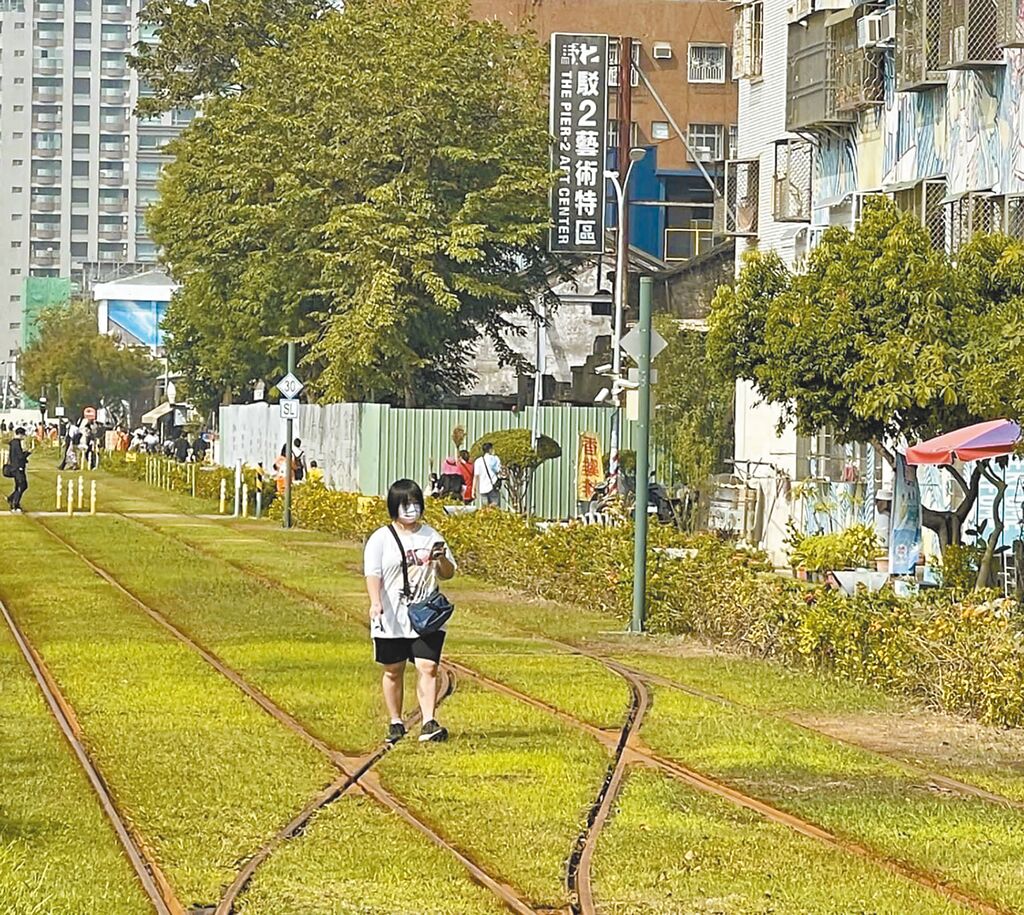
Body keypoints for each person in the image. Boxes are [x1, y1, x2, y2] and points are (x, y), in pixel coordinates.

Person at [364, 479, 456, 744]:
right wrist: (375, 602)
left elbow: (448, 573)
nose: (411, 509)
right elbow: (373, 573)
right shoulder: (381, 539)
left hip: (426, 614)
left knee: (428, 666)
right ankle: (396, 721)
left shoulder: (432, 536)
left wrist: (441, 559)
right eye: (405, 504)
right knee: (393, 669)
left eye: (416, 503)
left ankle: (429, 721)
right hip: (391, 615)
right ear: (394, 507)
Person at [5, 427, 29, 513]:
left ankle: (12, 498)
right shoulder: (16, 443)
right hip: (18, 468)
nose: (24, 437)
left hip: (15, 467)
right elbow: (20, 456)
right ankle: (14, 504)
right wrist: (27, 453)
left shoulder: (13, 443)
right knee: (22, 485)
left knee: (19, 485)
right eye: (23, 435)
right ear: (20, 434)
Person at [473, 442, 503, 508]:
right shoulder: (495, 459)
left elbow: (475, 476)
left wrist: (473, 490)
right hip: (493, 486)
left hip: (483, 488)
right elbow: (499, 471)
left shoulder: (478, 461)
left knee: (485, 509)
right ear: (490, 450)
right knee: (495, 508)